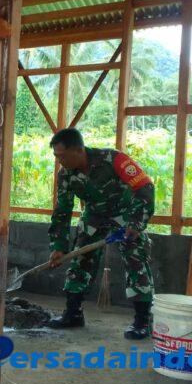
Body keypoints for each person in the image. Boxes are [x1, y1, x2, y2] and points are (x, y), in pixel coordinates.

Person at [47, 128, 155, 340]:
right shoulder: (65, 174)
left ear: (78, 150)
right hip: (94, 216)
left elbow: (145, 188)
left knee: (135, 260)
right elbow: (62, 211)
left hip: (126, 215)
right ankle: (73, 313)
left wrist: (136, 223)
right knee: (80, 258)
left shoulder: (114, 159)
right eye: (56, 157)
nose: (60, 161)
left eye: (62, 156)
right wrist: (58, 246)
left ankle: (143, 322)